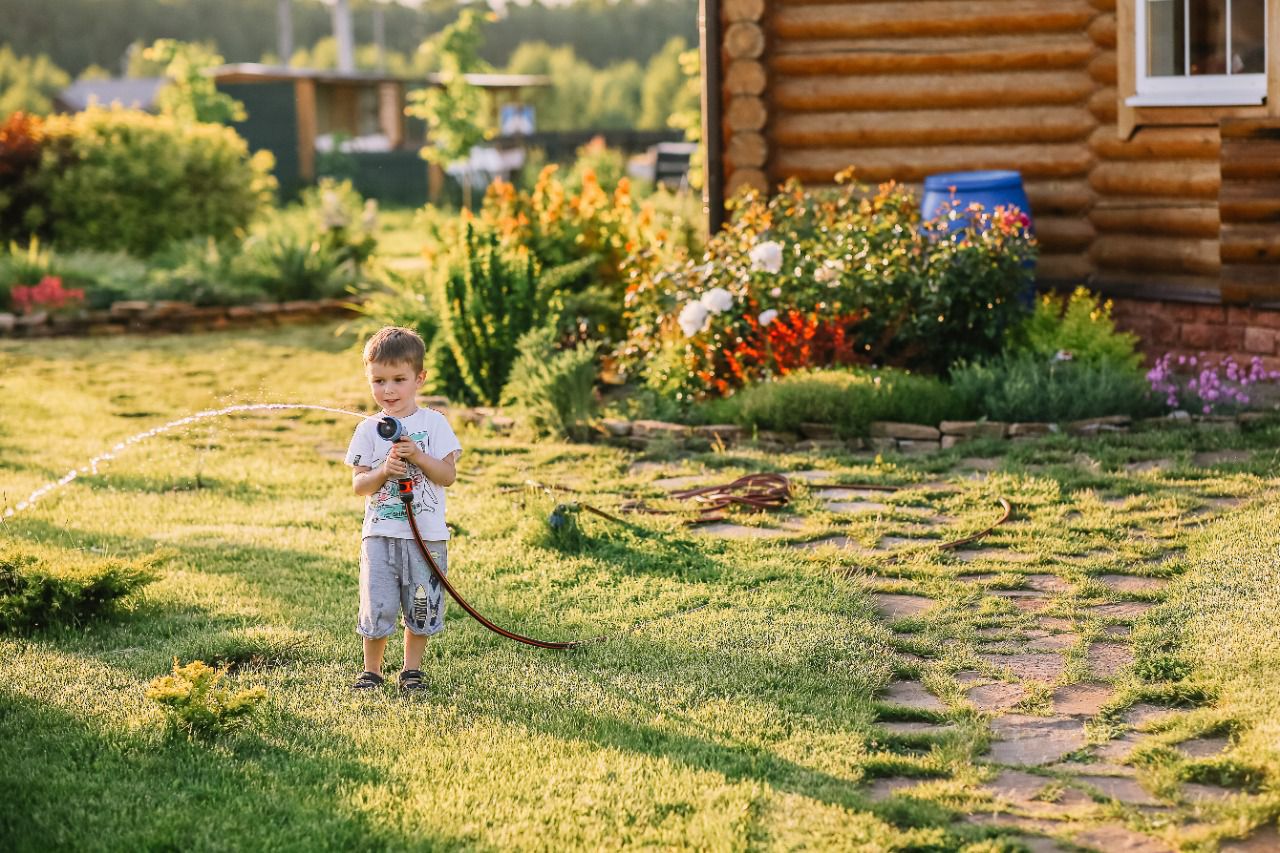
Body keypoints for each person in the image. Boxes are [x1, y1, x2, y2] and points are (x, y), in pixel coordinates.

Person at [344, 327, 462, 693]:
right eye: (378, 381)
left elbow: (447, 476)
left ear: (419, 379)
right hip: (380, 535)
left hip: (425, 537)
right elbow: (359, 484)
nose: (388, 391)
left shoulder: (433, 424)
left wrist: (419, 457)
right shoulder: (368, 429)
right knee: (377, 603)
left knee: (421, 603)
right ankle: (372, 671)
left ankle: (412, 670)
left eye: (398, 380)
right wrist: (383, 471)